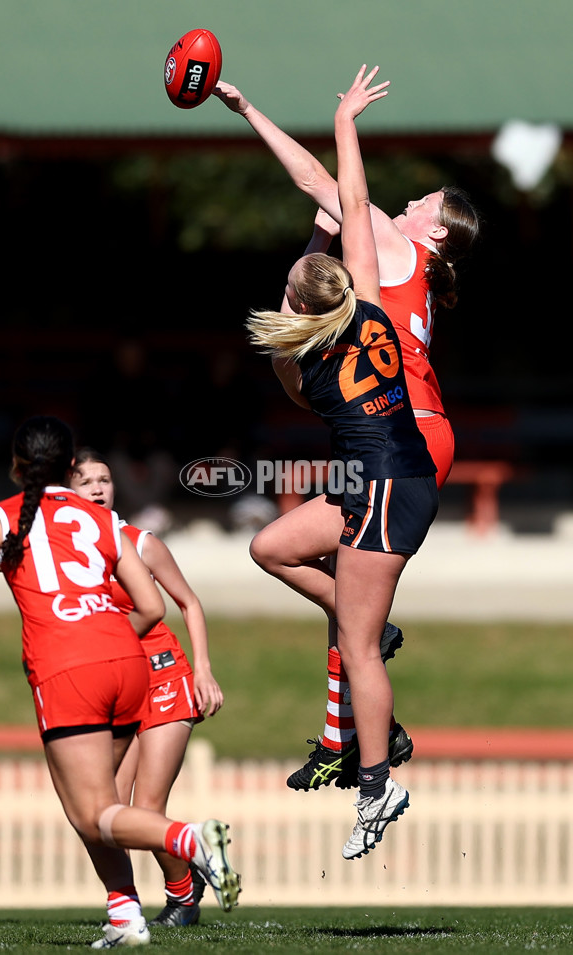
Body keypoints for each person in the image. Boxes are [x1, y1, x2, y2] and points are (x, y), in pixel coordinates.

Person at [215, 76, 480, 790]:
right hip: (409, 434)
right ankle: (346, 732)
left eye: (426, 202)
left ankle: (359, 747)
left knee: (354, 604)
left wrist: (250, 112)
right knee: (309, 566)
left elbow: (318, 180)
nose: (414, 200)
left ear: (437, 229)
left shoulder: (398, 247)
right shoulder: (412, 266)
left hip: (404, 439)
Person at [244, 64, 439, 859]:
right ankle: (368, 618)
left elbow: (330, 216)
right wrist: (346, 120)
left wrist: (251, 105)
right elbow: (350, 198)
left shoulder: (297, 361)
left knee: (355, 647)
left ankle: (374, 783)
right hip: (381, 475)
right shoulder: (365, 302)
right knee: (270, 547)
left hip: (388, 481)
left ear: (299, 305)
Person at [0, 415, 240, 946]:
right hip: (128, 661)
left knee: (92, 814)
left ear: (16, 466)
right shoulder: (105, 524)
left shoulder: (5, 516)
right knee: (102, 808)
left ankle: (192, 841)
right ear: (70, 468)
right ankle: (126, 917)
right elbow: (151, 605)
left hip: (70, 667)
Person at [69, 447, 223, 929]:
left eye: (104, 479)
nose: (97, 488)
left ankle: (181, 900)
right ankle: (138, 902)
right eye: (85, 481)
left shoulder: (141, 542)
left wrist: (202, 670)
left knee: (146, 807)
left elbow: (189, 603)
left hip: (163, 678)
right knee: (106, 817)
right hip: (115, 686)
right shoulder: (67, 555)